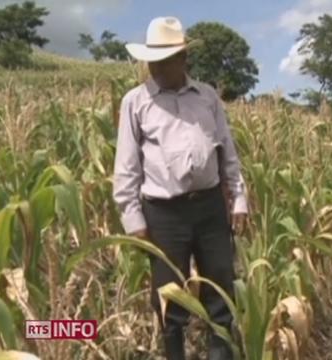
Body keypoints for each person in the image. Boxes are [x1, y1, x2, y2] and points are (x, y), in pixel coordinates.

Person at [113, 16, 247, 360]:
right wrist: (134, 222)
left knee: (220, 292)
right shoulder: (136, 101)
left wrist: (240, 199)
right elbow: (126, 166)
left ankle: (221, 354)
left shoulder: (207, 98)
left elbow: (227, 153)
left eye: (164, 60)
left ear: (183, 59)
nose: (155, 67)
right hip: (163, 214)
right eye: (152, 61)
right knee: (170, 301)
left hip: (210, 209)